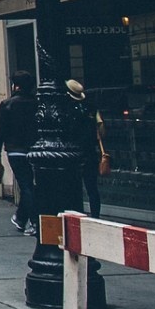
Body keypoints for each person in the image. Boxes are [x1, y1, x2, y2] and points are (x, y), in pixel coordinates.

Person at [0, 70, 38, 234]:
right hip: (34, 150)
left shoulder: (7, 104)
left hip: (15, 150)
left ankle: (33, 221)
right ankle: (21, 218)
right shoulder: (36, 103)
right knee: (29, 185)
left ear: (16, 86)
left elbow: (0, 131)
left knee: (26, 186)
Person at [67, 80, 109, 218]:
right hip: (90, 151)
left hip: (74, 152)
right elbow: (101, 128)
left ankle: (76, 214)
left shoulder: (67, 109)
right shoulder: (91, 107)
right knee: (92, 187)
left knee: (73, 186)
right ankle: (95, 215)